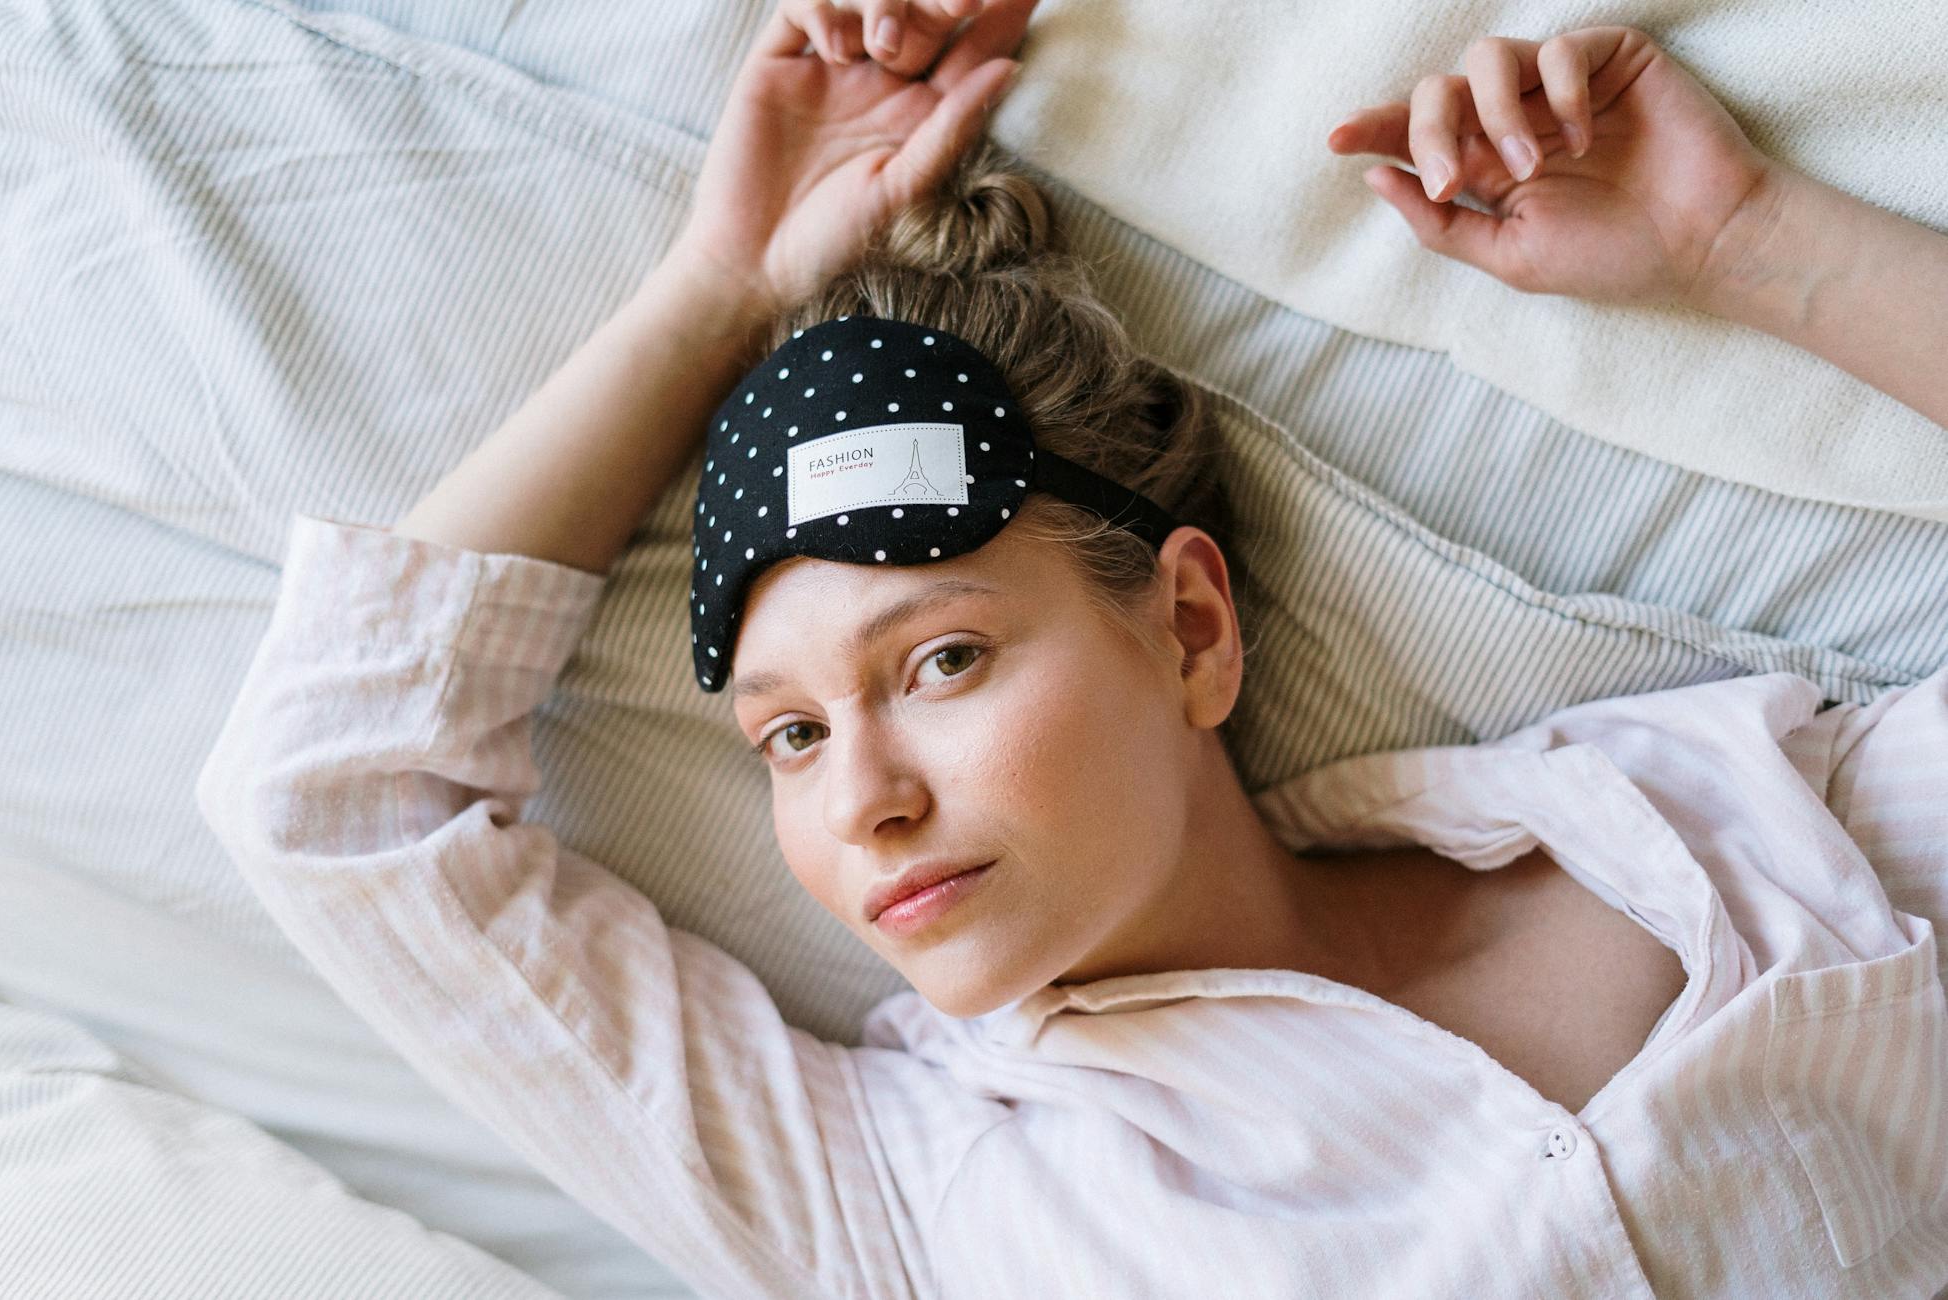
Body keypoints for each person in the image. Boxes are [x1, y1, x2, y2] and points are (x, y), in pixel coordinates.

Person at [196, 2, 1948, 1296]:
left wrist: (1745, 243)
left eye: (938, 663)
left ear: (1188, 626)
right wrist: (714, 287)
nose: (863, 798)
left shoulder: (1732, 827)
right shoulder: (905, 1200)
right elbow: (334, 802)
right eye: (787, 737)